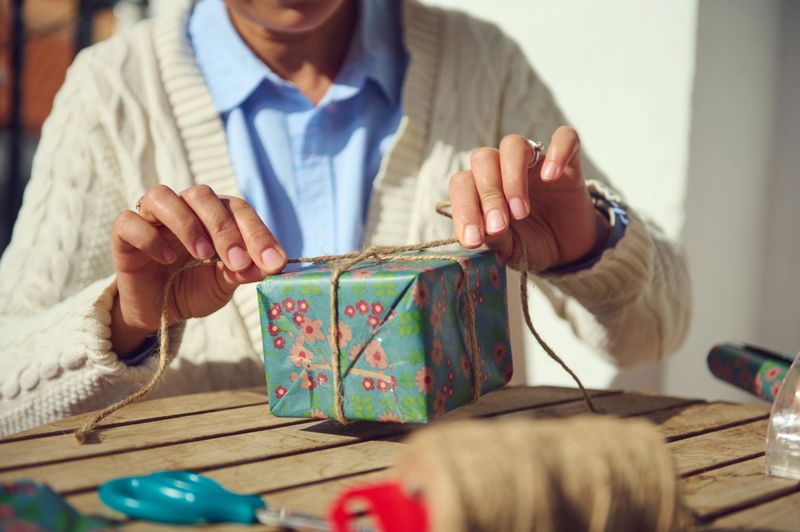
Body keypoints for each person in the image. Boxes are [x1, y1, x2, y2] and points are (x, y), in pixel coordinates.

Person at [0, 0, 690, 436]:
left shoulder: (481, 63)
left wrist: (588, 247)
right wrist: (125, 322)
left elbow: (658, 330)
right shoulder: (112, 90)